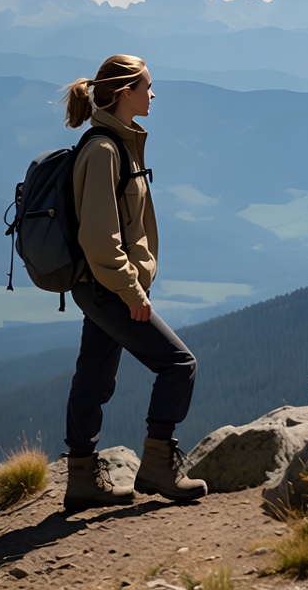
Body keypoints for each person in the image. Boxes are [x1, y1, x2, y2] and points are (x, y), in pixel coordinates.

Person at [60, 54, 207, 510]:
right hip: (110, 287)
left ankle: (82, 479)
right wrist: (132, 290)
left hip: (100, 285)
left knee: (94, 376)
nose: (153, 94)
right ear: (125, 93)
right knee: (179, 364)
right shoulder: (105, 150)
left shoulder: (118, 143)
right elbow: (101, 239)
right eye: (146, 86)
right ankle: (158, 466)